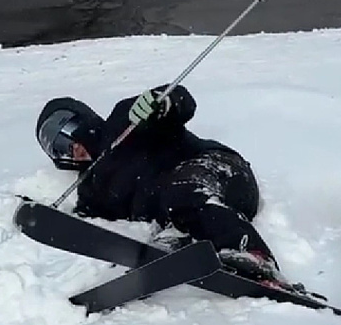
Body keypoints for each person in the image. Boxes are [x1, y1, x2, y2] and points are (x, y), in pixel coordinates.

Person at [35, 84, 279, 281]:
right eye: (59, 149)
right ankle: (175, 248)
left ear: (81, 120)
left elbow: (182, 102)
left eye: (68, 132)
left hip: (219, 171)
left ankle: (252, 253)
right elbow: (87, 221)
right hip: (183, 211)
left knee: (182, 193)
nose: (72, 148)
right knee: (173, 208)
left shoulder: (124, 121)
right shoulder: (91, 192)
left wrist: (162, 103)